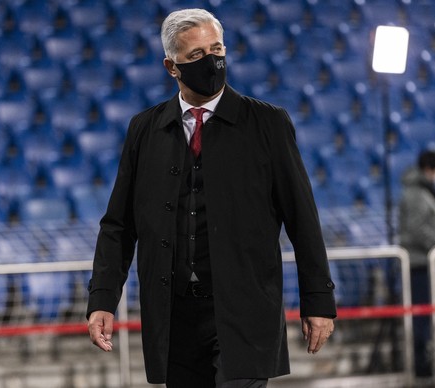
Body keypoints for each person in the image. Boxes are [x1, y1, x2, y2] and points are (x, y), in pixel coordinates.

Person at [87, 8, 337, 387]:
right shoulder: (144, 129)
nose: (212, 61)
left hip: (245, 313)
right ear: (172, 67)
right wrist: (103, 298)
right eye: (197, 56)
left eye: (216, 49)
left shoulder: (268, 123)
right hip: (174, 318)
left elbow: (302, 219)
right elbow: (119, 225)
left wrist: (318, 300)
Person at [398, 150, 435, 378]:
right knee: (420, 317)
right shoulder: (416, 194)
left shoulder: (424, 191)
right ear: (429, 169)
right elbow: (416, 229)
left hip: (426, 263)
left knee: (426, 317)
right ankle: (421, 367)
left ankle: (425, 365)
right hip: (419, 264)